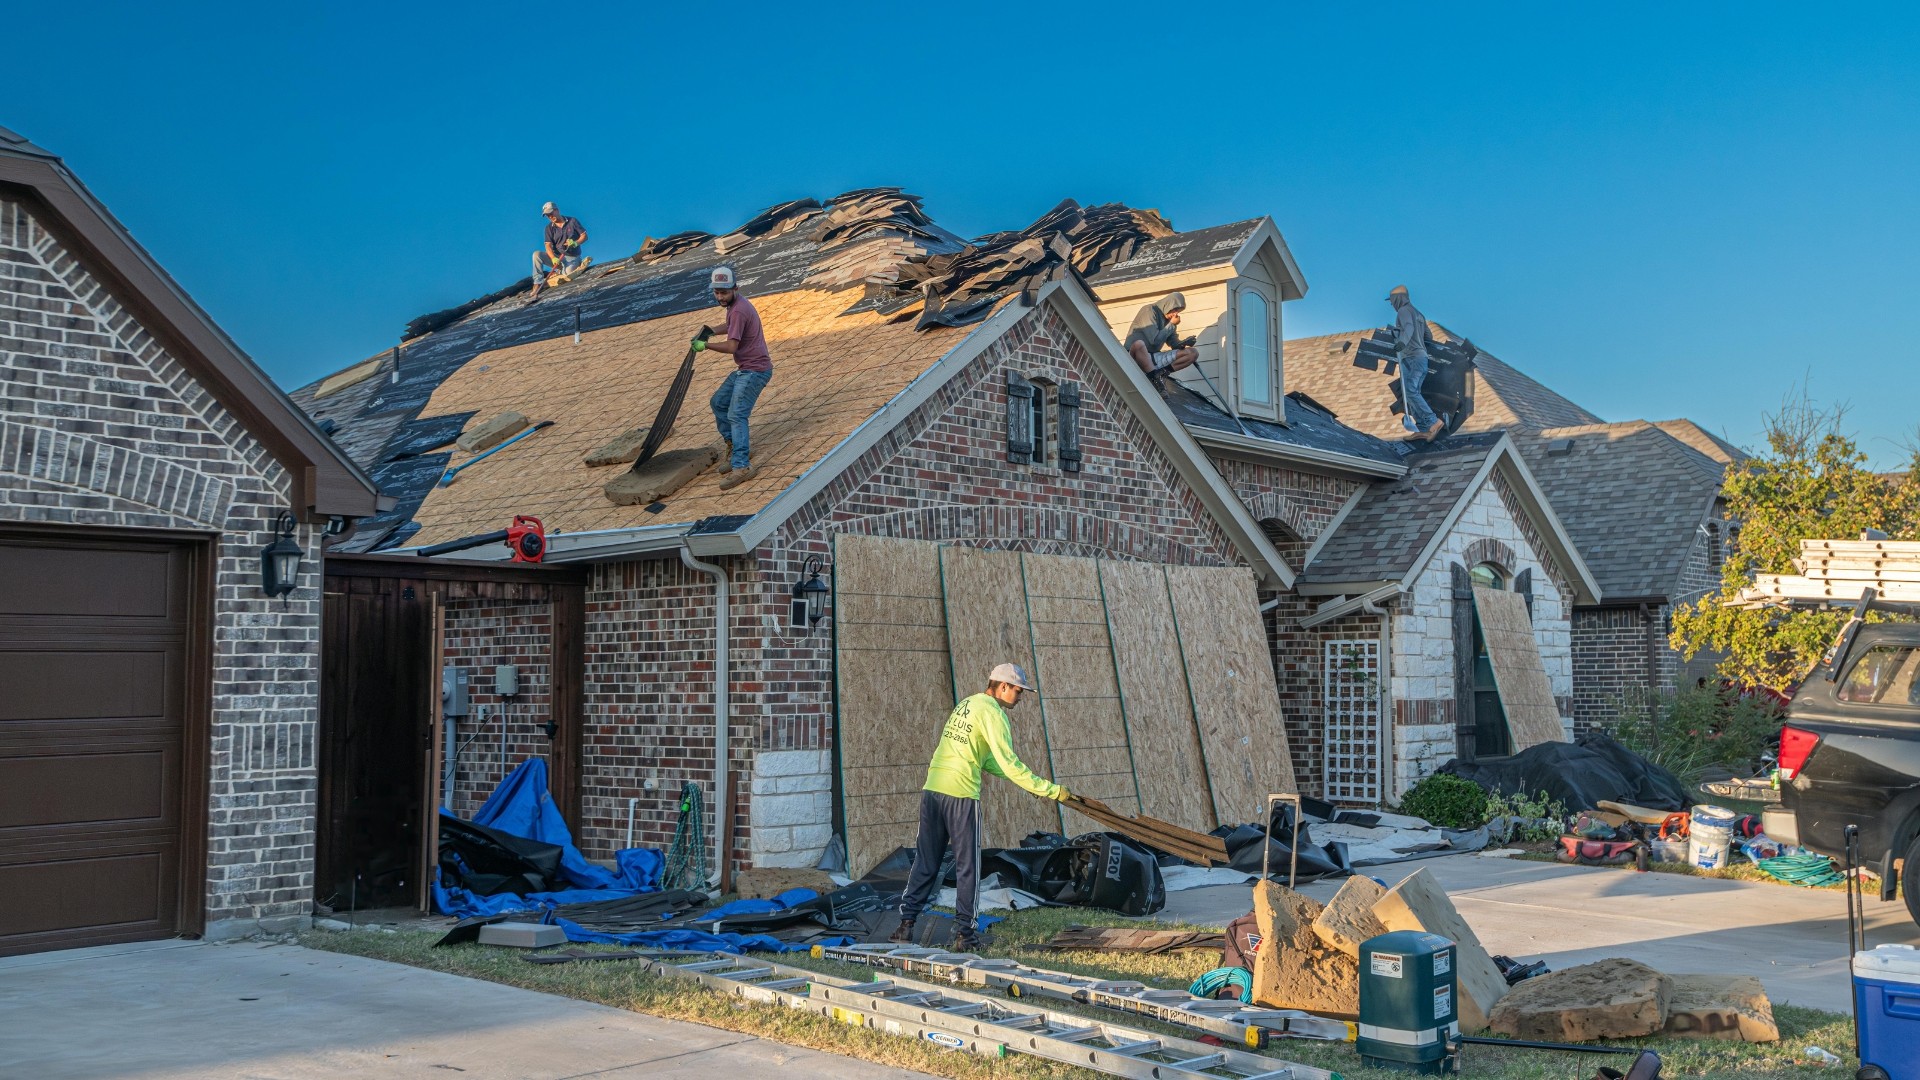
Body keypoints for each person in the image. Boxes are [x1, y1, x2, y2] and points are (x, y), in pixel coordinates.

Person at [891, 663, 1069, 950]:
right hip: (961, 795)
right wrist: (1050, 790)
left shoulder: (967, 705)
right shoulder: (994, 713)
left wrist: (1028, 784)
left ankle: (905, 926)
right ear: (1002, 686)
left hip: (933, 790)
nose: (1021, 697)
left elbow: (987, 761)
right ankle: (966, 936)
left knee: (926, 861)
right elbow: (1010, 763)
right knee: (967, 868)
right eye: (1018, 691)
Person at [693, 266, 773, 489]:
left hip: (755, 370)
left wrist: (705, 344)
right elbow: (731, 326)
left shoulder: (738, 309)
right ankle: (735, 445)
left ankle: (742, 466)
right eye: (717, 292)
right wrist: (710, 330)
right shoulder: (736, 305)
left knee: (737, 415)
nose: (720, 297)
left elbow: (731, 346)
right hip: (745, 368)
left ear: (735, 288)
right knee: (718, 402)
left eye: (724, 293)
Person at [1387, 285, 1445, 440]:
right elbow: (1429, 337)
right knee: (1410, 393)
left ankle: (1433, 421)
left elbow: (1408, 327)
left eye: (1392, 301)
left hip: (1411, 357)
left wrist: (1402, 342)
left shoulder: (1403, 311)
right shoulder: (1419, 314)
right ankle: (1424, 428)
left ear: (1397, 299)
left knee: (1410, 390)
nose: (1392, 304)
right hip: (1420, 357)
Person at [1124, 292, 1200, 379]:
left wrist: (1185, 342)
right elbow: (1154, 341)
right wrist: (1171, 324)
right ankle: (1154, 375)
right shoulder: (1149, 310)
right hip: (1135, 355)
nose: (1175, 314)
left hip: (1153, 358)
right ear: (1168, 304)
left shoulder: (1170, 321)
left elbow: (1174, 344)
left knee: (1192, 353)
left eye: (1178, 311)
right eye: (1175, 309)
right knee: (1139, 344)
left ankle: (1161, 373)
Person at [527, 202, 589, 304]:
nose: (550, 217)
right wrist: (552, 258)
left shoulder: (572, 221)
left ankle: (559, 272)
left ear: (557, 210)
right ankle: (537, 283)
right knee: (536, 255)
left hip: (571, 257)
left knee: (567, 276)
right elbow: (548, 246)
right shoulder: (549, 228)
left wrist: (575, 243)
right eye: (547, 215)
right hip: (557, 258)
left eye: (551, 213)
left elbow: (584, 236)